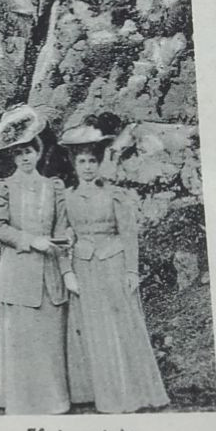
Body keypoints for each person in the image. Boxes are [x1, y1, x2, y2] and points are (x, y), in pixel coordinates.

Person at [57, 124, 171, 413]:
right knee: (95, 330)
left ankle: (133, 392)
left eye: (92, 160)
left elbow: (128, 234)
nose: (87, 167)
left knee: (122, 326)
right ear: (73, 164)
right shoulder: (66, 198)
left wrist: (131, 271)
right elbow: (61, 238)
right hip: (84, 266)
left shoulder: (114, 194)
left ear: (99, 162)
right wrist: (66, 271)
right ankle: (103, 395)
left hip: (114, 263)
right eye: (81, 161)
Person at [0, 104, 73, 415]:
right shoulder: (2, 188)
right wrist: (30, 240)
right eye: (18, 153)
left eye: (29, 151)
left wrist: (65, 261)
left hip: (49, 274)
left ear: (38, 152)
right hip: (18, 273)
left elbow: (61, 229)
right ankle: (21, 402)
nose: (24, 157)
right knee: (22, 339)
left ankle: (53, 402)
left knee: (49, 339)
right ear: (12, 157)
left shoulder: (54, 187)